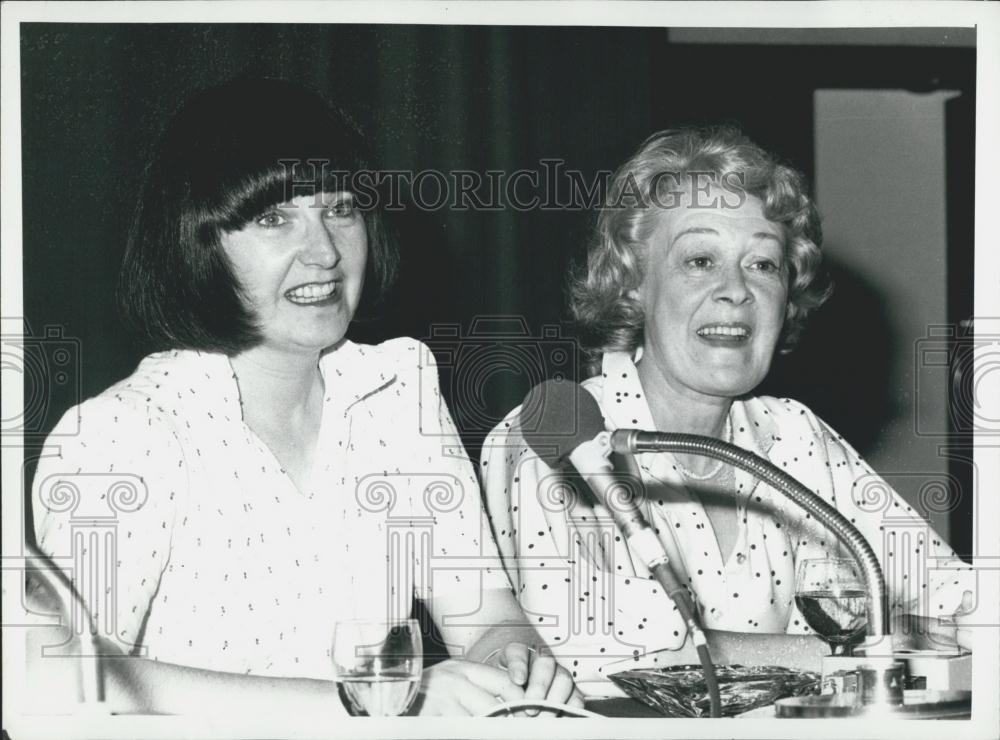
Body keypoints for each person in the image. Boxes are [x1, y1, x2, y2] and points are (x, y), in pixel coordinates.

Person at [30, 77, 581, 716]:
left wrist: (515, 666)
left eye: (341, 208)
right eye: (274, 218)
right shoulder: (126, 432)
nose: (323, 252)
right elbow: (77, 680)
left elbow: (485, 619)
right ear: (198, 243)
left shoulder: (398, 392)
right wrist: (366, 705)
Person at [481, 127, 976, 683]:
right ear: (632, 285)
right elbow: (620, 659)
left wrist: (924, 634)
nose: (736, 290)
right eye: (699, 260)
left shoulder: (795, 434)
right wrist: (867, 651)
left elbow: (959, 603)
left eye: (763, 264)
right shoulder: (557, 436)